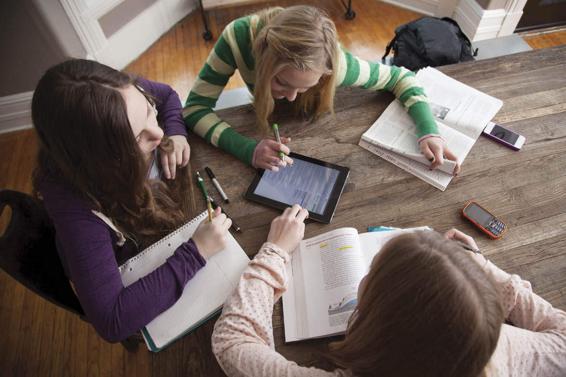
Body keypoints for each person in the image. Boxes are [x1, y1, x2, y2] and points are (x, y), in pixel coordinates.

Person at [212, 205, 566, 376]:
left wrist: (274, 251)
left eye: (372, 276)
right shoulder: (495, 346)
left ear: (385, 330)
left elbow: (233, 341)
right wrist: (477, 268)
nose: (363, 279)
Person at [32, 59, 232, 342]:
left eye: (149, 112)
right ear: (101, 161)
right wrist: (196, 252)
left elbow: (166, 96)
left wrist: (175, 129)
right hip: (127, 254)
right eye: (138, 137)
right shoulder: (77, 211)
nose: (157, 133)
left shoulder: (121, 95)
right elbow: (112, 321)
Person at [184, 5, 459, 173]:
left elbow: (403, 78)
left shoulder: (338, 67)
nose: (291, 97)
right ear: (263, 61)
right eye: (281, 82)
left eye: (305, 87)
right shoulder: (237, 37)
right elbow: (194, 108)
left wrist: (427, 130)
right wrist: (247, 149)